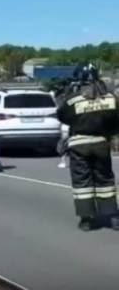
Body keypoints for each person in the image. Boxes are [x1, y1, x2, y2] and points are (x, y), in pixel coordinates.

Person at [57, 64, 119, 231]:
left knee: (82, 183)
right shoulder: (111, 98)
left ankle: (86, 220)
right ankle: (113, 218)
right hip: (101, 144)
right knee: (105, 181)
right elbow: (116, 121)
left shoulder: (74, 99)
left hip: (79, 146)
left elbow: (62, 116)